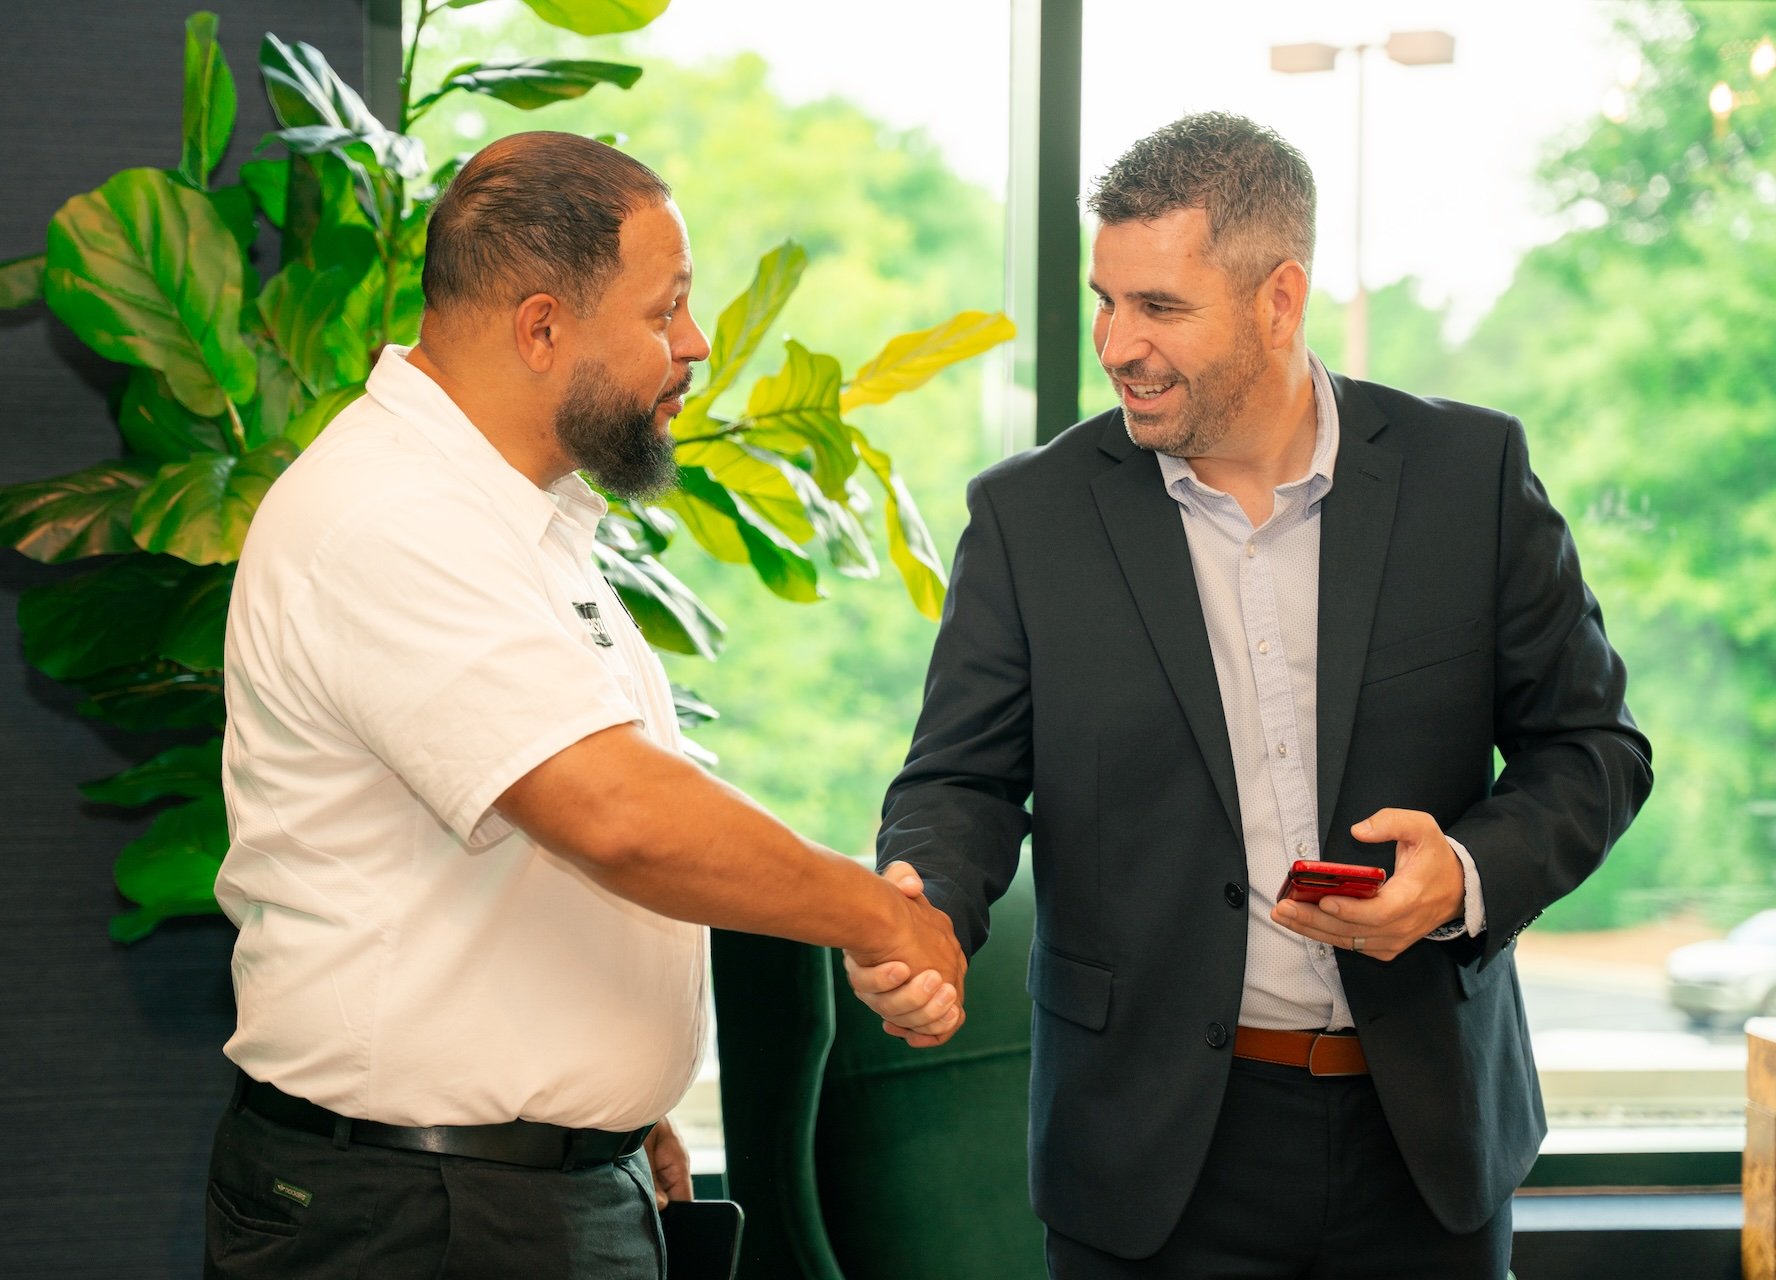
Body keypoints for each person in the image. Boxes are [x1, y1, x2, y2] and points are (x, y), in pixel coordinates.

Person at [848, 112, 1653, 1278]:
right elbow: (961, 779)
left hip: (1426, 1145)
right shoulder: (1031, 517)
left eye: (1160, 308)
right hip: (1148, 1158)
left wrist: (1463, 878)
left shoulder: (1465, 478)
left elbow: (1592, 747)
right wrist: (926, 907)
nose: (1118, 342)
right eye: (1106, 299)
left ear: (1281, 299)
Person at [204, 130, 965, 1279]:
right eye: (667, 311)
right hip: (421, 1218)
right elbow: (618, 816)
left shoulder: (524, 519)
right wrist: (880, 915)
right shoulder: (394, 517)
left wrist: (599, 1106)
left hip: (521, 1188)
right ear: (543, 326)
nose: (696, 345)